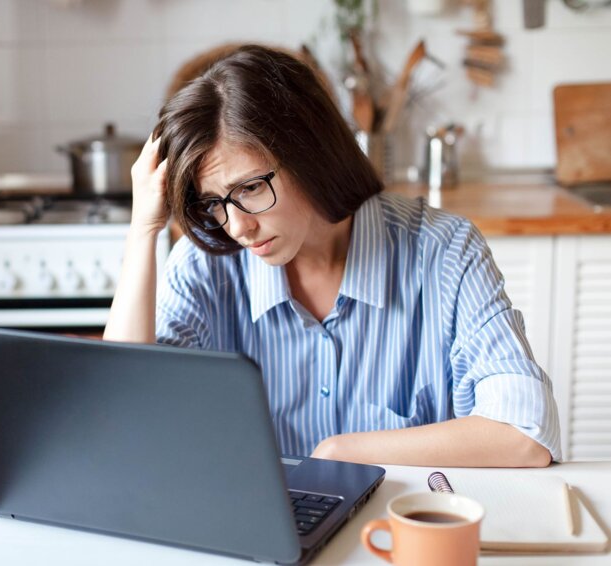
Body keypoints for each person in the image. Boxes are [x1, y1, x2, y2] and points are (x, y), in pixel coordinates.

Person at [104, 45, 560, 467]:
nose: (237, 227)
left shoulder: (443, 251)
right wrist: (143, 230)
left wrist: (339, 452)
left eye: (251, 188)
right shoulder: (205, 264)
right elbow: (122, 422)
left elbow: (526, 432)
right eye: (214, 202)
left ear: (309, 154)